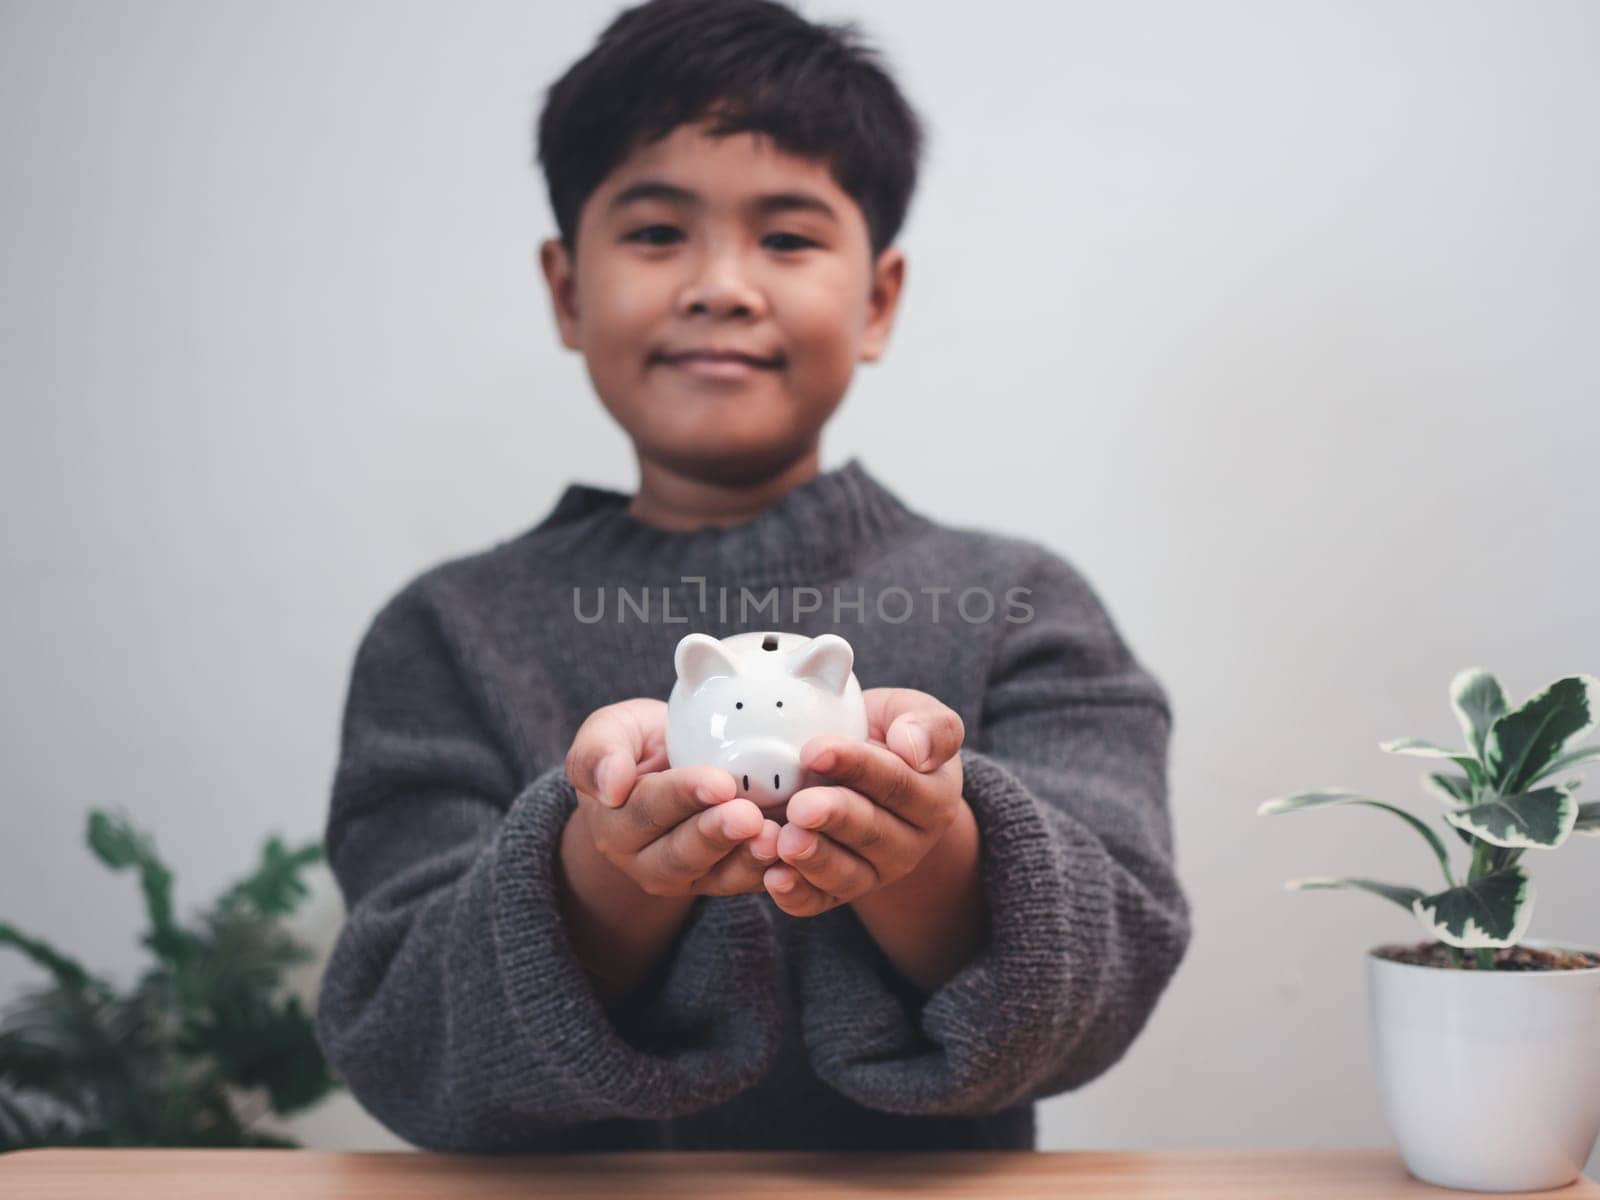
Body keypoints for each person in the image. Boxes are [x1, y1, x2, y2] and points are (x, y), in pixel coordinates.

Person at [314, 0, 1191, 1153]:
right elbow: (400, 1034)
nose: (722, 285)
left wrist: (929, 851)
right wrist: (603, 864)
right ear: (567, 289)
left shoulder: (1019, 604)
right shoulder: (444, 634)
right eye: (655, 233)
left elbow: (1113, 970)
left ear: (876, 300)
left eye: (786, 238)